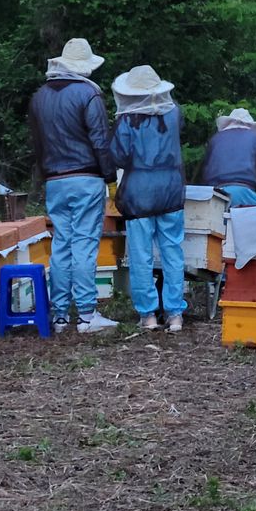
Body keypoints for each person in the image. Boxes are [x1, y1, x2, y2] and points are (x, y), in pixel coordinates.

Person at [28, 38, 118, 334]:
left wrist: (45, 176)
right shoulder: (89, 94)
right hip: (86, 177)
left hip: (55, 180)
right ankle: (88, 314)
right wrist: (110, 178)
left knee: (61, 244)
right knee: (84, 244)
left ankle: (61, 314)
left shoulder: (39, 96)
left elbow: (38, 144)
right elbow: (100, 141)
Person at [109, 65, 187, 333]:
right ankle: (175, 314)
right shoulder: (174, 112)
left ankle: (149, 316)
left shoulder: (126, 121)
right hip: (171, 190)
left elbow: (117, 156)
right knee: (172, 252)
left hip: (138, 193)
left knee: (141, 256)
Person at [201, 108, 256, 207]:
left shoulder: (215, 140)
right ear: (250, 125)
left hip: (215, 195)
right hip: (245, 194)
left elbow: (205, 173)